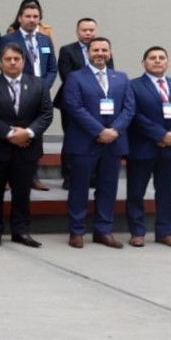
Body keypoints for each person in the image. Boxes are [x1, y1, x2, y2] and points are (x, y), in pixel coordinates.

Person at [0, 43, 52, 248]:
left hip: (27, 147)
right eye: (8, 59)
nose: (12, 62)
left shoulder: (38, 84)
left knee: (22, 192)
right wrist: (9, 133)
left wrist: (27, 133)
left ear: (23, 62)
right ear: (1, 61)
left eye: (16, 59)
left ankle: (21, 230)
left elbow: (46, 114)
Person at [61, 37, 134, 249]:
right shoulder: (75, 78)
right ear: (88, 53)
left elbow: (129, 108)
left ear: (109, 53)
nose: (100, 53)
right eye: (96, 50)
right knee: (79, 187)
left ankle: (103, 230)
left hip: (114, 142)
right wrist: (99, 131)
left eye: (104, 50)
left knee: (108, 188)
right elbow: (74, 107)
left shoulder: (121, 77)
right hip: (85, 142)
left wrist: (114, 131)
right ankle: (77, 231)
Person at [126, 47, 171, 248]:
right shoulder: (133, 86)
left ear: (167, 62)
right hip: (143, 146)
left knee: (166, 192)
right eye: (152, 58)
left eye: (161, 58)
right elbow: (134, 114)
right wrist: (160, 134)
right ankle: (137, 232)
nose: (157, 61)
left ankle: (165, 232)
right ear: (143, 62)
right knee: (136, 191)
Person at [0, 0, 58, 192]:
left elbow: (52, 68)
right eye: (28, 16)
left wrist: (42, 87)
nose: (32, 20)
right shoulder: (9, 39)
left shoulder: (45, 40)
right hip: (17, 93)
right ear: (20, 18)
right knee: (14, 133)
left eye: (35, 17)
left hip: (40, 94)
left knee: (36, 135)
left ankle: (33, 176)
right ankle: (8, 177)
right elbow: (7, 66)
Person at [57, 18, 114, 190]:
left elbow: (109, 76)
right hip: (72, 103)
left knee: (95, 137)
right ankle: (68, 176)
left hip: (98, 103)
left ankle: (93, 176)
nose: (88, 33)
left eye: (91, 30)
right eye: (84, 30)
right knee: (72, 139)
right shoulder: (67, 50)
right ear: (77, 31)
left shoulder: (102, 50)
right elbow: (66, 76)